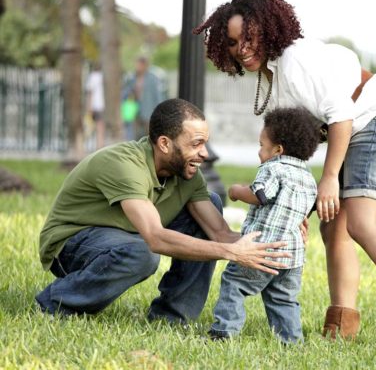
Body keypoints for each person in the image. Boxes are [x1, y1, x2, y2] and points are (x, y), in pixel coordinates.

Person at [194, 0, 376, 351]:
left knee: (363, 223)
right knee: (334, 226)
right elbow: (295, 148)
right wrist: (294, 206)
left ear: (267, 28)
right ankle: (341, 325)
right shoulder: (274, 74)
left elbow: (341, 116)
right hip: (361, 129)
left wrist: (330, 178)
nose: (242, 48)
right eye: (234, 43)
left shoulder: (295, 60)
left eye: (248, 37)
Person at [35, 98, 292, 321]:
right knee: (143, 253)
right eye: (196, 143)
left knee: (210, 203)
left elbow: (221, 234)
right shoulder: (123, 164)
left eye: (205, 143)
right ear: (165, 144)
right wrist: (231, 253)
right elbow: (155, 238)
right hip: (71, 244)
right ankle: (55, 303)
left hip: (127, 236)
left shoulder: (188, 176)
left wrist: (278, 241)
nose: (204, 154)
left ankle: (172, 317)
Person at [209, 108, 319, 343]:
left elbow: (261, 195)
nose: (259, 151)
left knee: (234, 284)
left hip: (261, 250)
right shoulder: (308, 177)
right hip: (292, 257)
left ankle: (224, 332)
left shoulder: (273, 168)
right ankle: (291, 340)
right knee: (283, 298)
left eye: (261, 145)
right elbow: (306, 211)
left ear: (278, 150)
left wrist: (237, 191)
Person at [122, 56, 164, 139]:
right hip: (135, 110)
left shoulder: (152, 79)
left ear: (145, 65)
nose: (137, 67)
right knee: (135, 134)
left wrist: (159, 111)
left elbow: (158, 96)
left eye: (139, 65)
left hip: (149, 110)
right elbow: (126, 93)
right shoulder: (132, 78)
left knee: (149, 133)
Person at [85, 63, 105, 149]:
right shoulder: (104, 76)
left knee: (98, 128)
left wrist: (88, 107)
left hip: (96, 105)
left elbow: (90, 93)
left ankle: (99, 147)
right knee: (100, 128)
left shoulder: (93, 76)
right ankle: (100, 146)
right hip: (102, 105)